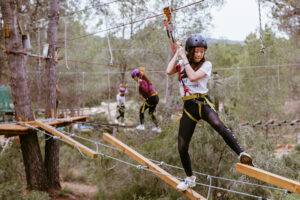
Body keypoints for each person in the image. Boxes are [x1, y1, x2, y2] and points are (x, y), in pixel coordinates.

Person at [166, 34, 253, 191]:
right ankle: (190, 178)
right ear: (190, 52)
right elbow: (168, 71)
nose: (199, 54)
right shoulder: (181, 63)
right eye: (196, 51)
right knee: (181, 146)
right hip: (189, 108)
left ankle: (241, 154)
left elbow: (192, 77)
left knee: (218, 124)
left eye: (202, 51)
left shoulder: (207, 65)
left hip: (202, 104)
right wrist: (178, 53)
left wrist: (183, 58)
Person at [131, 67, 162, 133]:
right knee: (151, 113)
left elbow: (146, 90)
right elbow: (144, 92)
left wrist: (140, 83)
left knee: (141, 109)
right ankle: (157, 127)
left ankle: (142, 125)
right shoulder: (145, 81)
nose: (134, 79)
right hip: (155, 98)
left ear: (137, 76)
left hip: (152, 98)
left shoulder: (142, 81)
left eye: (134, 77)